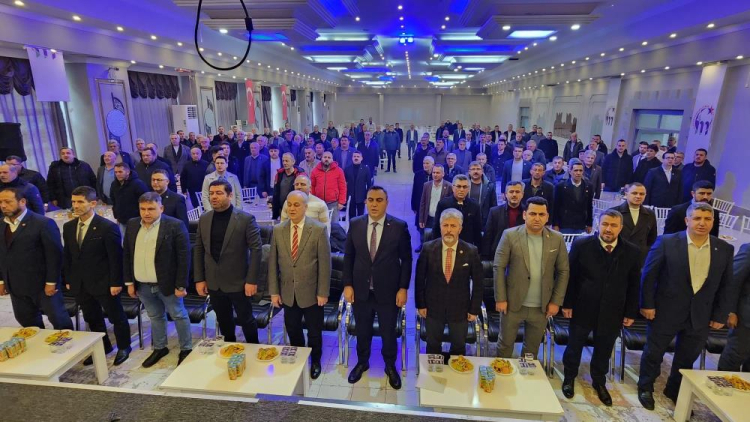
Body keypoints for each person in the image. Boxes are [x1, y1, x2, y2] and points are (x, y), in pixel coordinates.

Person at [637, 202, 734, 410]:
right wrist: (647, 304)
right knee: (654, 353)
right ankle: (645, 387)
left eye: (707, 219)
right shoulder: (667, 242)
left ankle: (674, 390)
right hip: (665, 311)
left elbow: (727, 284)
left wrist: (720, 315)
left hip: (700, 314)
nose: (702, 223)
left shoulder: (724, 249)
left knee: (687, 358)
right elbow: (648, 275)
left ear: (713, 222)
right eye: (697, 218)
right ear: (687, 220)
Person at [561, 210, 641, 406]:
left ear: (620, 228)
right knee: (574, 345)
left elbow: (634, 284)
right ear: (598, 224)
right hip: (583, 306)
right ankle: (569, 377)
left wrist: (631, 311)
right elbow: (571, 277)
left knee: (604, 348)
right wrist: (568, 303)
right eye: (605, 224)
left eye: (613, 225)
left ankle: (599, 381)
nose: (608, 229)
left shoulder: (632, 251)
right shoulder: (582, 245)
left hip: (613, 310)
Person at [343, 186, 412, 389]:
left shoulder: (399, 227)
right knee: (362, 330)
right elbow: (349, 257)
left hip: (388, 292)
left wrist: (403, 288)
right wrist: (348, 284)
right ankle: (362, 362)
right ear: (366, 201)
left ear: (386, 202)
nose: (374, 204)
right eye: (370, 200)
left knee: (388, 332)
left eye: (379, 200)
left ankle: (390, 366)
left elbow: (407, 260)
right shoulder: (356, 224)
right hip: (361, 290)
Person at [494, 197, 569, 358]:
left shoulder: (557, 238)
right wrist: (500, 298)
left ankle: (526, 374)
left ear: (547, 217)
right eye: (533, 213)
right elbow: (498, 267)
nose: (537, 218)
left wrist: (556, 301)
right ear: (524, 215)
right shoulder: (509, 235)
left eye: (541, 214)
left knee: (531, 349)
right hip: (512, 303)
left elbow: (563, 271)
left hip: (542, 306)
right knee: (505, 344)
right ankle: (502, 373)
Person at [63, 186, 131, 366]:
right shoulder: (69, 227)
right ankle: (103, 346)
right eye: (73, 202)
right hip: (80, 283)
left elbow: (115, 258)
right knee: (92, 317)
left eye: (80, 202)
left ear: (92, 203)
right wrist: (68, 279)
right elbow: (68, 255)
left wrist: (116, 282)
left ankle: (124, 346)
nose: (75, 206)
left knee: (116, 317)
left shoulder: (107, 227)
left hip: (104, 282)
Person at [124, 192, 192, 367]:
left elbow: (184, 257)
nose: (146, 213)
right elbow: (127, 255)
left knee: (178, 315)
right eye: (143, 209)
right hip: (142, 284)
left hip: (168, 284)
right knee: (155, 316)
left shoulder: (174, 225)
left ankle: (186, 349)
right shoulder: (132, 225)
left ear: (161, 208)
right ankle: (160, 348)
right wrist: (129, 282)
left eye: (151, 209)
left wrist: (181, 284)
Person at [269, 191, 331, 380]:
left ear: (305, 207)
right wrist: (274, 292)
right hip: (288, 292)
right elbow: (273, 264)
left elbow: (325, 264)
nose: (292, 208)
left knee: (314, 331)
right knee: (293, 328)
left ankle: (316, 360)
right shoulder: (278, 230)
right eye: (289, 204)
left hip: (312, 292)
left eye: (297, 205)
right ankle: (300, 359)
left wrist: (322, 292)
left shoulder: (318, 229)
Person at [194, 180, 262, 344]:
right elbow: (199, 249)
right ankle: (229, 348)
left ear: (230, 195)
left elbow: (256, 250)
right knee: (224, 321)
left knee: (246, 320)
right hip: (214, 281)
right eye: (211, 193)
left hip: (239, 282)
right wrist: (199, 279)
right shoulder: (204, 219)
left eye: (219, 193)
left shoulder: (245, 219)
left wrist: (251, 280)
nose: (214, 197)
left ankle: (254, 349)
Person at [0, 187, 72, 330]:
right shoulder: (1, 224)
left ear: (22, 201)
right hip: (16, 285)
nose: (3, 205)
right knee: (27, 321)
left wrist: (51, 282)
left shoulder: (42, 223)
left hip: (42, 284)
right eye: (0, 202)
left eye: (8, 202)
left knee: (58, 320)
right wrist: (2, 280)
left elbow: (55, 255)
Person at [415, 208, 483, 358]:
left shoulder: (471, 251)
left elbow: (478, 283)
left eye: (453, 226)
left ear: (460, 228)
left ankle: (455, 372)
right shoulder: (428, 249)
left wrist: (474, 309)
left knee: (458, 346)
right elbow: (419, 279)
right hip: (433, 307)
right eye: (445, 225)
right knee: (433, 345)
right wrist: (421, 304)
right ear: (440, 227)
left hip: (460, 309)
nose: (449, 230)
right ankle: (432, 372)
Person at [608, 183, 658, 265]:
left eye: (641, 194)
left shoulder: (650, 214)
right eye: (634, 193)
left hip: (640, 259)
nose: (638, 196)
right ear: (626, 194)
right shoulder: (614, 212)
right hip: (618, 257)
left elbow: (652, 238)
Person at [719, 243, 750, 371]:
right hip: (745, 319)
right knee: (733, 357)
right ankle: (723, 383)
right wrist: (730, 311)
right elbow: (732, 280)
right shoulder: (749, 250)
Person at [432, 175, 482, 250]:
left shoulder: (474, 205)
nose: (461, 190)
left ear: (468, 189)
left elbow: (477, 231)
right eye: (458, 186)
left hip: (467, 248)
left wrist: (478, 251)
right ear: (453, 187)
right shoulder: (443, 204)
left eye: (464, 187)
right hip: (446, 246)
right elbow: (436, 228)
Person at [482, 181, 525, 260]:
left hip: (521, 255)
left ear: (522, 194)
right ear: (506, 194)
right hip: (498, 254)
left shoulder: (528, 213)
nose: (514, 194)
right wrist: (485, 257)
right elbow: (488, 236)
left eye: (517, 192)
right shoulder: (494, 212)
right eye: (511, 192)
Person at [310, 151, 347, 224]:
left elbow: (343, 187)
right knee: (319, 225)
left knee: (334, 225)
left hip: (333, 203)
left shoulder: (339, 171)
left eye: (329, 157)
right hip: (319, 203)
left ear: (332, 159)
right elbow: (312, 186)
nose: (326, 159)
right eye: (325, 157)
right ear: (321, 158)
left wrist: (341, 202)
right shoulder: (315, 171)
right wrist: (312, 200)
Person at [110, 162, 147, 229]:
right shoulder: (114, 184)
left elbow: (145, 202)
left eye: (120, 172)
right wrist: (116, 216)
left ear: (128, 172)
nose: (117, 174)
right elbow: (114, 201)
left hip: (136, 220)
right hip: (121, 220)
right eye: (116, 172)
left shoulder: (138, 184)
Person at [418, 165, 452, 233]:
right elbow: (423, 203)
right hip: (428, 218)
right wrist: (421, 219)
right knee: (427, 237)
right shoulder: (426, 185)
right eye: (434, 172)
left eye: (438, 173)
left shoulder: (449, 186)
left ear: (443, 174)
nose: (435, 175)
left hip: (442, 219)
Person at [411, 156, 434, 243]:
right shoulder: (418, 175)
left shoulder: (435, 174)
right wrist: (413, 206)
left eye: (427, 163)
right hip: (420, 205)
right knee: (420, 226)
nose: (425, 165)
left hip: (432, 205)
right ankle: (422, 245)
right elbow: (415, 190)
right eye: (424, 163)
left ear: (432, 164)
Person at [344, 151, 373, 220]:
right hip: (350, 196)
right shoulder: (347, 169)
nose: (356, 158)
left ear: (361, 158)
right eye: (354, 156)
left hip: (361, 196)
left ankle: (360, 226)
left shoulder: (366, 169)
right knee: (351, 216)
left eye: (358, 156)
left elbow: (369, 184)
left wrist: (367, 197)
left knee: (361, 215)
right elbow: (344, 183)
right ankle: (352, 226)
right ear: (352, 158)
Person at [468, 161, 496, 228]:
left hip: (484, 222)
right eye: (473, 169)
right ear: (469, 171)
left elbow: (494, 206)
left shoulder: (489, 187)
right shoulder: (463, 186)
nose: (475, 171)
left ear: (482, 171)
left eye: (478, 169)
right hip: (466, 220)